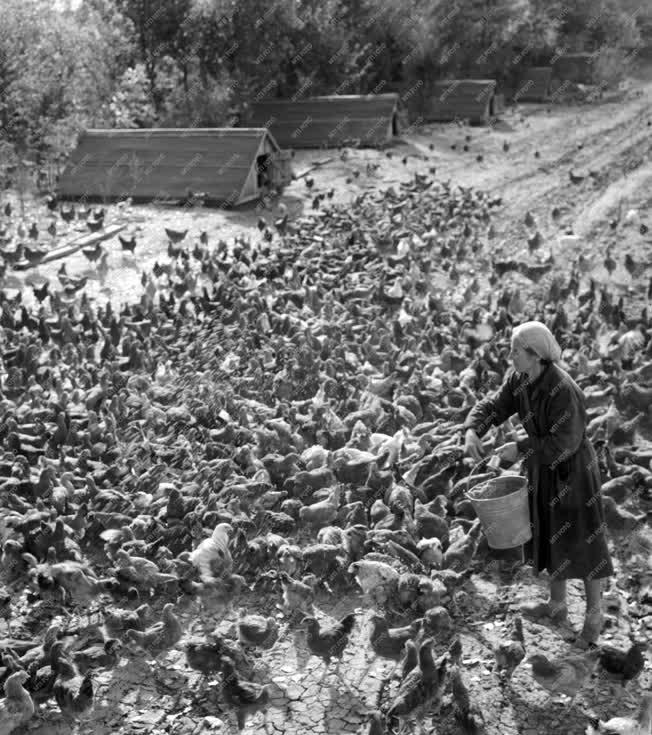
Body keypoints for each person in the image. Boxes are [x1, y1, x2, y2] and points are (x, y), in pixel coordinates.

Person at [463, 320, 614, 647]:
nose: (510, 355)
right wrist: (474, 428)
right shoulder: (519, 379)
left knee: (585, 543)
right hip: (543, 468)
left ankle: (594, 615)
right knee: (550, 534)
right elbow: (495, 406)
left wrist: (521, 448)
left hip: (573, 472)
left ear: (534, 354)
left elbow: (565, 443)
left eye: (515, 350)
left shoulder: (563, 389)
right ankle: (557, 606)